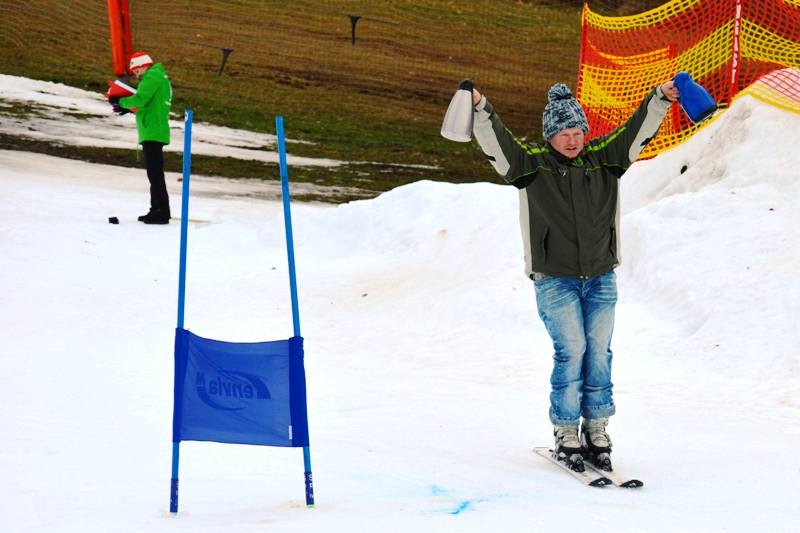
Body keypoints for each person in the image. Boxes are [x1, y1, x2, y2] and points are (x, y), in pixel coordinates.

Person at [470, 79, 679, 471]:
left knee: (599, 352)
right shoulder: (530, 165)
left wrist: (660, 98)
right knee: (572, 351)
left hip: (600, 277)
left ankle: (596, 428)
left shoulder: (605, 157)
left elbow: (637, 129)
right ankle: (566, 430)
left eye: (578, 132)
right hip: (555, 279)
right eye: (563, 134)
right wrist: (481, 107)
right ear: (550, 136)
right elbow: (497, 141)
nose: (572, 141)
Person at [109, 52, 173, 224]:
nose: (137, 76)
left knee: (155, 174)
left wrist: (120, 101)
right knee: (154, 174)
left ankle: (161, 212)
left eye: (137, 71)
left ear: (144, 66)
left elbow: (141, 99)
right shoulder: (157, 76)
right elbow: (149, 104)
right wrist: (127, 109)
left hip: (153, 130)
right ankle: (156, 209)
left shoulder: (152, 76)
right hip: (153, 129)